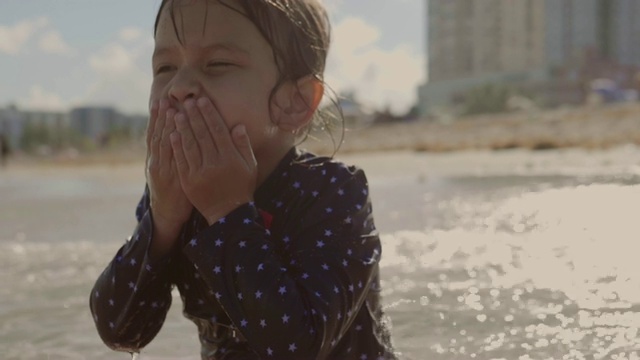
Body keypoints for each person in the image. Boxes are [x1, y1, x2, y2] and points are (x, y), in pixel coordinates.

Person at [89, 0, 396, 359]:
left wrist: (226, 210)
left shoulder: (333, 193)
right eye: (165, 67)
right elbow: (122, 331)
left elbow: (299, 347)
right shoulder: (173, 197)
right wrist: (162, 220)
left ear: (294, 101)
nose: (179, 87)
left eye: (217, 64)